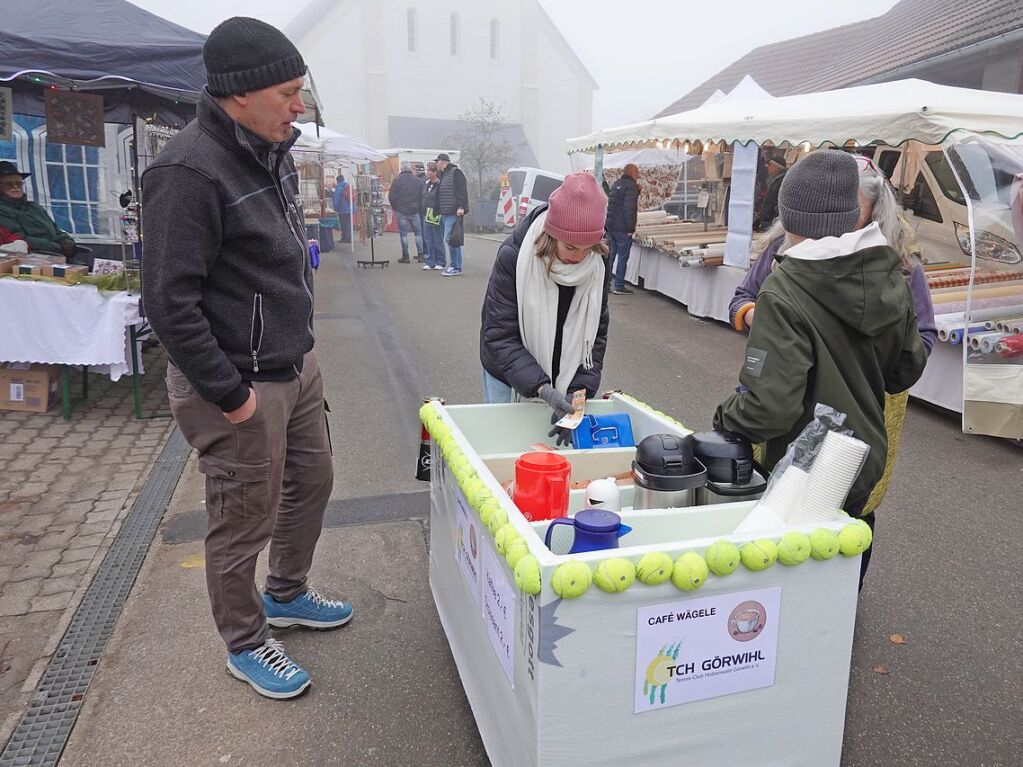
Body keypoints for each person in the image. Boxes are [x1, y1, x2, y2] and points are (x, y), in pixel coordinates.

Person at [141, 16, 351, 701]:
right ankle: (245, 638)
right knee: (241, 518)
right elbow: (169, 304)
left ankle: (286, 592)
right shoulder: (187, 170)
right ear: (238, 93)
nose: (299, 106)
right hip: (236, 382)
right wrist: (232, 395)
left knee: (311, 483)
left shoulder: (272, 148)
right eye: (288, 91)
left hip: (293, 362)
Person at [713, 151, 928, 586]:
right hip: (861, 458)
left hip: (799, 466)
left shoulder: (785, 288)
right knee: (837, 580)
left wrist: (724, 418)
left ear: (788, 217)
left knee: (785, 584)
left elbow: (770, 409)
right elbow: (904, 372)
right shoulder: (892, 272)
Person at [480, 172, 611, 445]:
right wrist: (542, 389)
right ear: (552, 235)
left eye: (588, 248)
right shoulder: (514, 257)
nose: (578, 257)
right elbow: (500, 335)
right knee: (505, 446)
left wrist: (578, 393)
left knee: (549, 454)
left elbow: (594, 335)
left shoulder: (598, 264)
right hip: (507, 374)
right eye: (571, 247)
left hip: (563, 374)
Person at [0, 161, 77, 257]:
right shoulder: (2, 210)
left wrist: (67, 241)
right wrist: (57, 247)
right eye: (9, 184)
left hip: (59, 254)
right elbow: (20, 238)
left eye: (19, 183)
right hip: (32, 258)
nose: (15, 187)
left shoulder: (35, 207)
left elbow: (56, 230)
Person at [605, 163, 639, 295]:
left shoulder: (616, 184)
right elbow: (628, 209)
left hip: (611, 225)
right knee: (623, 257)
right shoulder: (631, 187)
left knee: (611, 256)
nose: (638, 176)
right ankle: (619, 286)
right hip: (623, 227)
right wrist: (630, 228)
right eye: (637, 173)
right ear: (632, 173)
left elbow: (614, 205)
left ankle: (606, 284)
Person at [436, 153, 468, 276]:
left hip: (453, 211)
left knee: (450, 239)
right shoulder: (444, 175)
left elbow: (462, 191)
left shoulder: (456, 173)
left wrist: (461, 207)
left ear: (442, 162)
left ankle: (455, 266)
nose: (437, 164)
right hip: (445, 212)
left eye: (437, 161)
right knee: (453, 239)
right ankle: (456, 265)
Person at [388, 161, 425, 263]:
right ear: (409, 168)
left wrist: (396, 207)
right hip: (414, 210)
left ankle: (406, 256)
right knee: (418, 233)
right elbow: (422, 195)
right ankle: (421, 255)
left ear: (401, 168)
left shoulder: (397, 180)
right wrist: (419, 207)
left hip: (401, 210)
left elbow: (391, 196)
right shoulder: (418, 181)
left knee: (403, 234)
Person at [421, 161, 445, 271]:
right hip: (426, 213)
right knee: (428, 239)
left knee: (437, 239)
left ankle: (440, 261)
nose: (428, 172)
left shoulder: (440, 184)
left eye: (430, 170)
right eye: (427, 170)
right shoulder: (426, 184)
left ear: (435, 172)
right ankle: (430, 261)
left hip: (436, 213)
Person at [757, 156, 787, 230]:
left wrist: (771, 219)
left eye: (770, 165)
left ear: (777, 167)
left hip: (772, 222)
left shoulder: (780, 182)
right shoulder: (775, 180)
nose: (768, 167)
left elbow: (776, 203)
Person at [332, 172, 355, 243]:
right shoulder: (347, 185)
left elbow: (337, 200)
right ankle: (348, 237)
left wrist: (335, 208)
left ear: (337, 181)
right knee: (348, 224)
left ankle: (345, 237)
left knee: (343, 224)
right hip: (350, 208)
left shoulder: (339, 188)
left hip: (342, 209)